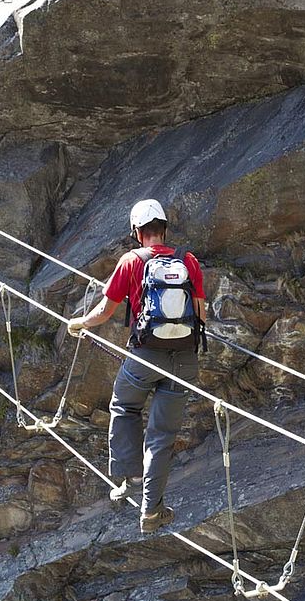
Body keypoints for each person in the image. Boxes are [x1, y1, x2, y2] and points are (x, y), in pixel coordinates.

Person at [66, 199, 206, 533]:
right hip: (184, 359)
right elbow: (200, 315)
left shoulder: (131, 261)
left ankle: (129, 476)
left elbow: (104, 312)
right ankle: (151, 510)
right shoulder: (188, 261)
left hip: (146, 355)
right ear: (165, 229)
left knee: (124, 406)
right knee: (162, 436)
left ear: (137, 233)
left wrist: (79, 324)